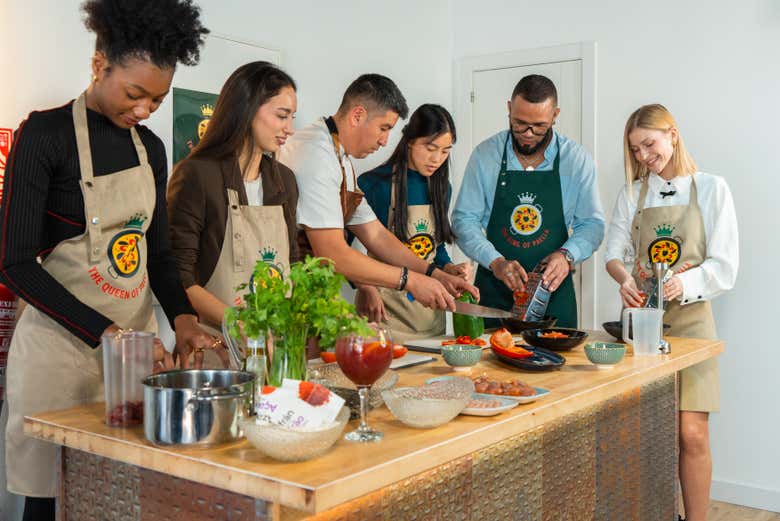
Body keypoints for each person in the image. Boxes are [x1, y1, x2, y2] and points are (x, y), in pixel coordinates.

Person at [0, 1, 216, 519]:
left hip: (133, 355)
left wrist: (183, 319)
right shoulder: (45, 135)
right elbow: (15, 263)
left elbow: (157, 254)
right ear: (101, 65)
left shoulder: (151, 148)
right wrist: (106, 333)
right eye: (134, 94)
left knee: (120, 496)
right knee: (49, 498)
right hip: (60, 355)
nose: (143, 111)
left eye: (157, 100)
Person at [604, 104, 738, 521]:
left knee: (691, 433)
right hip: (642, 325)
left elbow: (725, 266)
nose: (643, 156)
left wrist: (686, 283)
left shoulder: (712, 188)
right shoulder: (632, 195)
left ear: (673, 135)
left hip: (693, 323)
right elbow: (614, 255)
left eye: (649, 144)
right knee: (645, 436)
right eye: (635, 149)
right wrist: (625, 280)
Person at [277, 75, 477, 314]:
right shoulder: (317, 155)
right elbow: (333, 253)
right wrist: (409, 280)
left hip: (311, 292)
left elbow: (375, 234)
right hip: (289, 292)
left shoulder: (339, 157)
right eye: (384, 128)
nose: (384, 141)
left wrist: (436, 274)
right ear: (358, 115)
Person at [452, 74, 604, 328]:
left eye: (539, 126)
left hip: (553, 295)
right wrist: (495, 261)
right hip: (494, 293)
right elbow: (463, 219)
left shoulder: (577, 160)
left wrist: (567, 255)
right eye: (519, 123)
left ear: (555, 115)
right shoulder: (485, 155)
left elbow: (592, 224)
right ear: (509, 108)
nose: (528, 134)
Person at [167, 61, 299, 342]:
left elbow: (293, 264)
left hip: (276, 346)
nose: (289, 128)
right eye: (282, 116)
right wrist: (238, 323)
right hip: (218, 349)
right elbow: (180, 277)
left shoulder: (284, 180)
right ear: (248, 109)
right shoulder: (197, 174)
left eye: (292, 118)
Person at [354, 104, 470, 342]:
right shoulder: (374, 184)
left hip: (429, 316)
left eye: (445, 151)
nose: (437, 159)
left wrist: (448, 269)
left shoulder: (441, 187)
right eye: (430, 148)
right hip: (384, 314)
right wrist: (364, 286)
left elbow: (432, 247)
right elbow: (339, 249)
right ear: (409, 141)